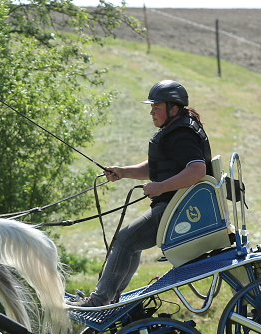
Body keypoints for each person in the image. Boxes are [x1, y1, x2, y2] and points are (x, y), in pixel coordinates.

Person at [68, 80, 213, 308]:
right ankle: (109, 298)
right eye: (151, 107)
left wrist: (161, 187)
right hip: (176, 206)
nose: (151, 112)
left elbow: (197, 170)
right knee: (129, 243)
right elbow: (157, 167)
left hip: (177, 209)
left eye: (157, 107)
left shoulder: (181, 134)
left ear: (173, 109)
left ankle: (99, 300)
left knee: (125, 241)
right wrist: (123, 172)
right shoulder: (176, 129)